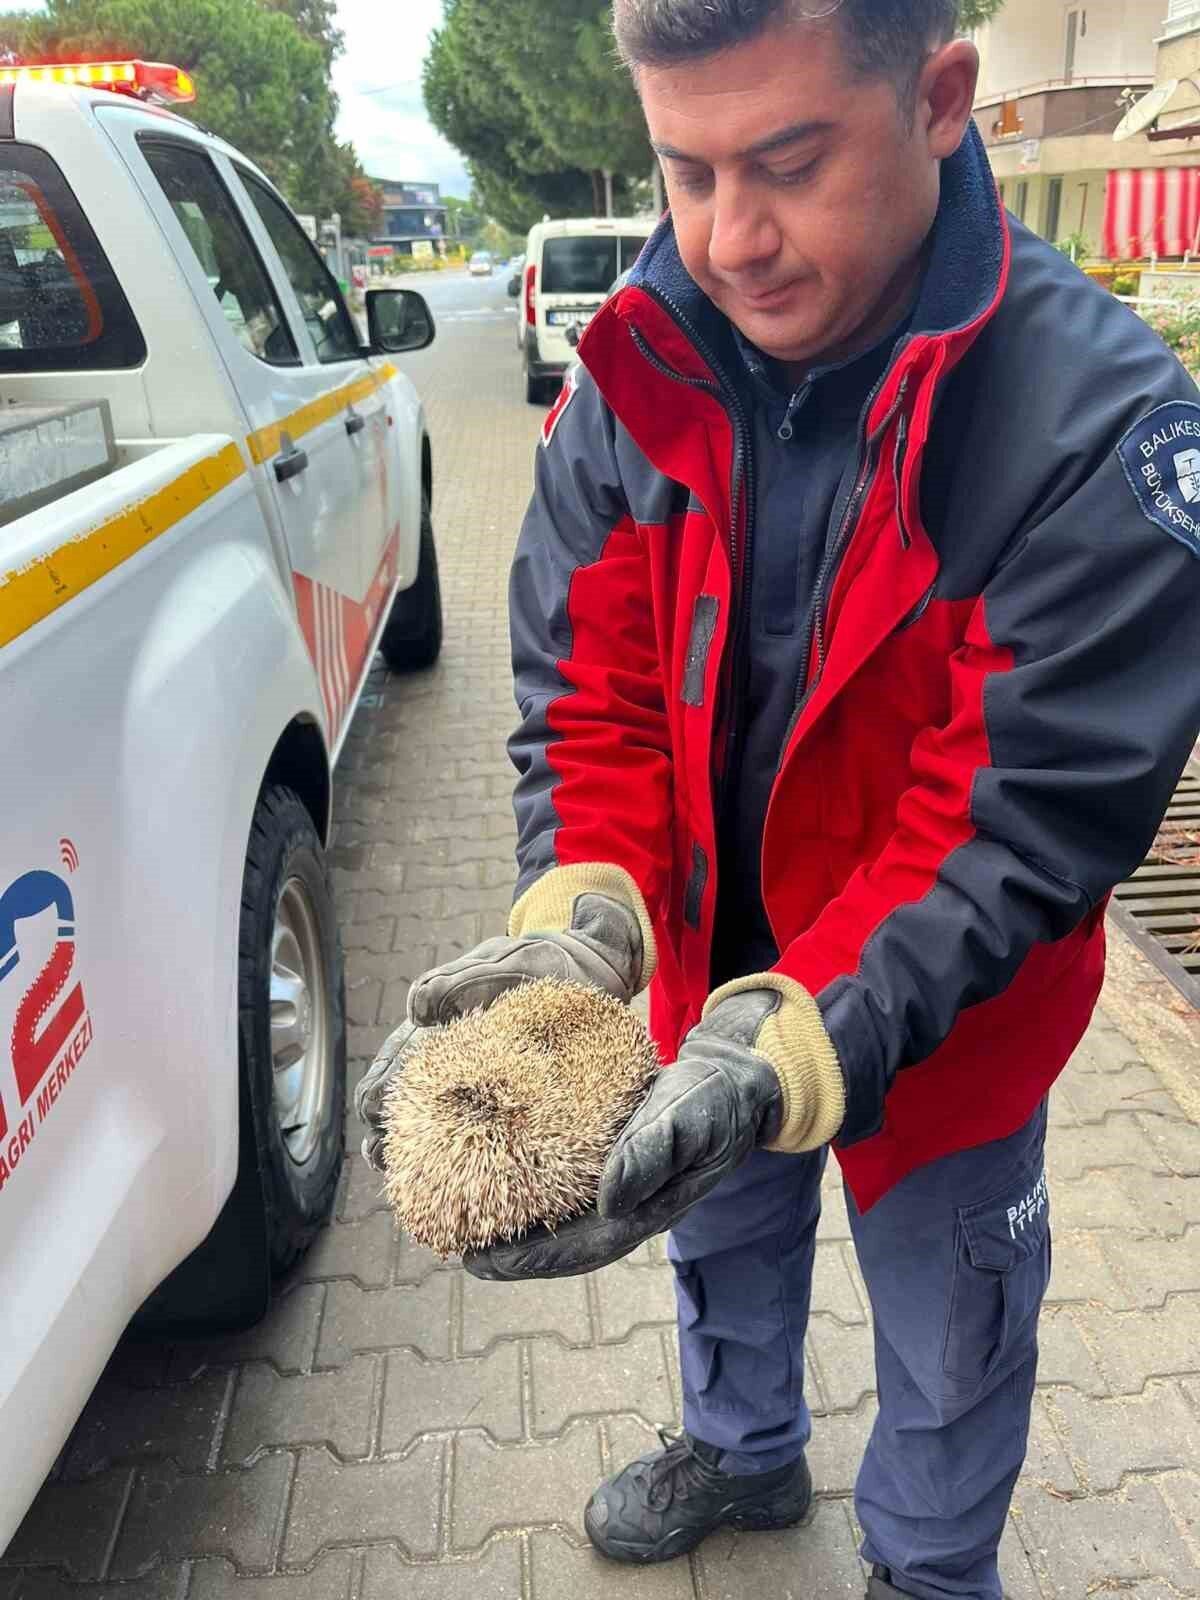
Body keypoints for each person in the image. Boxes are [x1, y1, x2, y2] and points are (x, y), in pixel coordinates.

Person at [357, 2, 1200, 1594]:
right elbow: (586, 689)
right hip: (701, 980)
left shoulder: (1104, 423)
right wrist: (580, 924)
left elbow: (1021, 820)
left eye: (789, 163)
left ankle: (933, 1568)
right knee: (715, 1232)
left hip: (942, 1021)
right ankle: (744, 1453)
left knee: (953, 1317)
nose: (730, 240)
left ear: (941, 100)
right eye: (685, 173)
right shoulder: (634, 367)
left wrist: (795, 1039)